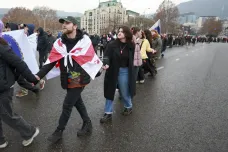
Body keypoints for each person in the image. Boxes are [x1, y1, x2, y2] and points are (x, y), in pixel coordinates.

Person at [35, 16, 92, 143]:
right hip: (66, 76)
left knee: (67, 104)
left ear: (75, 26)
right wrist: (38, 75)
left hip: (79, 76)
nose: (64, 25)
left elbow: (91, 58)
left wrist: (97, 70)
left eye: (67, 23)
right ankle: (87, 123)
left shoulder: (84, 41)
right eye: (63, 23)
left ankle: (59, 131)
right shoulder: (60, 43)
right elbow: (50, 62)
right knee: (77, 101)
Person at [0, 20, 40, 148]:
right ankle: (1, 140)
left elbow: (19, 63)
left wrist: (33, 79)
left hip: (3, 87)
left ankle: (30, 132)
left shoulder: (2, 46)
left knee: (7, 114)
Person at [100, 26, 136, 123]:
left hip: (124, 71)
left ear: (127, 34)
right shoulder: (112, 44)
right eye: (119, 31)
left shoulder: (131, 46)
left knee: (124, 92)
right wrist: (106, 63)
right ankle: (108, 113)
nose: (119, 33)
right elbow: (106, 56)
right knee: (110, 92)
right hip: (112, 70)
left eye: (122, 32)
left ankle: (128, 106)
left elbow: (132, 60)